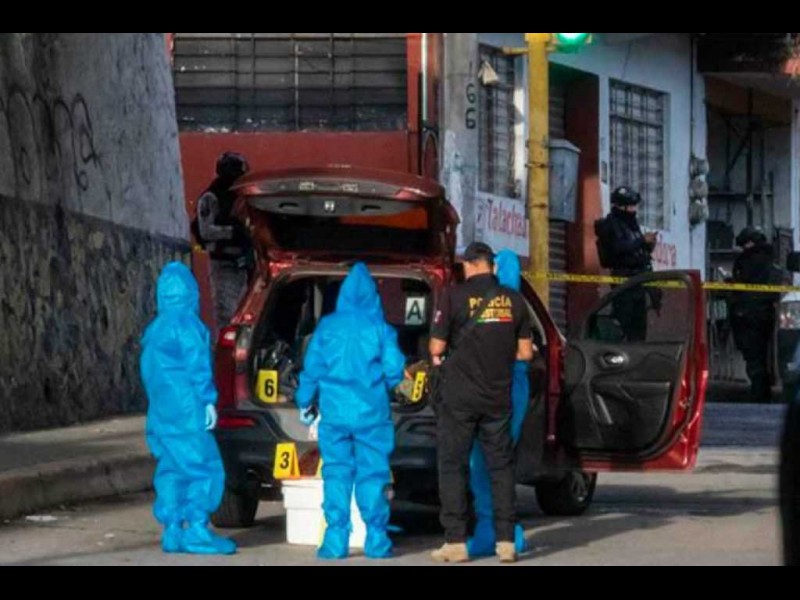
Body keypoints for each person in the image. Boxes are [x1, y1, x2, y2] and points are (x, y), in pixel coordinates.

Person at [429, 242, 535, 564]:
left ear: (469, 264)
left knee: (453, 466)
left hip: (459, 399)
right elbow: (525, 353)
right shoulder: (514, 301)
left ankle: (455, 542)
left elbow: (436, 348)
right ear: (492, 265)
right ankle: (506, 543)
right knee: (501, 467)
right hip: (498, 398)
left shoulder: (453, 296)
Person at [295, 263, 407, 560]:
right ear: (373, 296)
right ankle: (376, 539)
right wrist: (377, 388)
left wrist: (305, 401)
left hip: (334, 413)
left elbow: (312, 368)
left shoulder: (327, 327)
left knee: (336, 472)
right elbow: (395, 369)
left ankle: (335, 539)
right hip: (371, 413)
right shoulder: (381, 329)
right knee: (373, 473)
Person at [140, 262, 236, 555]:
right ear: (191, 293)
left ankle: (172, 530)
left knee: (171, 467)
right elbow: (197, 365)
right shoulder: (187, 325)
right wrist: (207, 399)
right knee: (202, 465)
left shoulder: (154, 330)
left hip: (161, 411)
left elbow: (149, 373)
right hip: (187, 408)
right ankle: (196, 529)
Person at [467, 249, 533, 558]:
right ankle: (506, 531)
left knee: (481, 461)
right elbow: (526, 352)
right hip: (513, 386)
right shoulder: (518, 305)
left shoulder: (483, 303)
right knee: (500, 459)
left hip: (488, 386)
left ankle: (492, 529)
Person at [193, 152, 252, 329]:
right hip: (222, 262)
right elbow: (206, 231)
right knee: (226, 314)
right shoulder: (210, 198)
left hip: (242, 262)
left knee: (244, 312)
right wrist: (233, 232)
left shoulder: (240, 197)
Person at [596, 187, 659, 342]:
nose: (634, 210)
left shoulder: (631, 224)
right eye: (631, 206)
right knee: (623, 326)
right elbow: (618, 248)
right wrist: (641, 240)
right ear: (621, 206)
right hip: (624, 281)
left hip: (639, 281)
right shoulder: (611, 224)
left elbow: (637, 248)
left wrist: (649, 244)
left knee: (639, 330)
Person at [730, 227, 780, 404]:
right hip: (763, 314)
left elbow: (742, 284)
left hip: (749, 314)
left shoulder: (749, 260)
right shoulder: (769, 259)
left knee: (753, 357)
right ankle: (762, 392)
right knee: (760, 356)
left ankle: (759, 394)